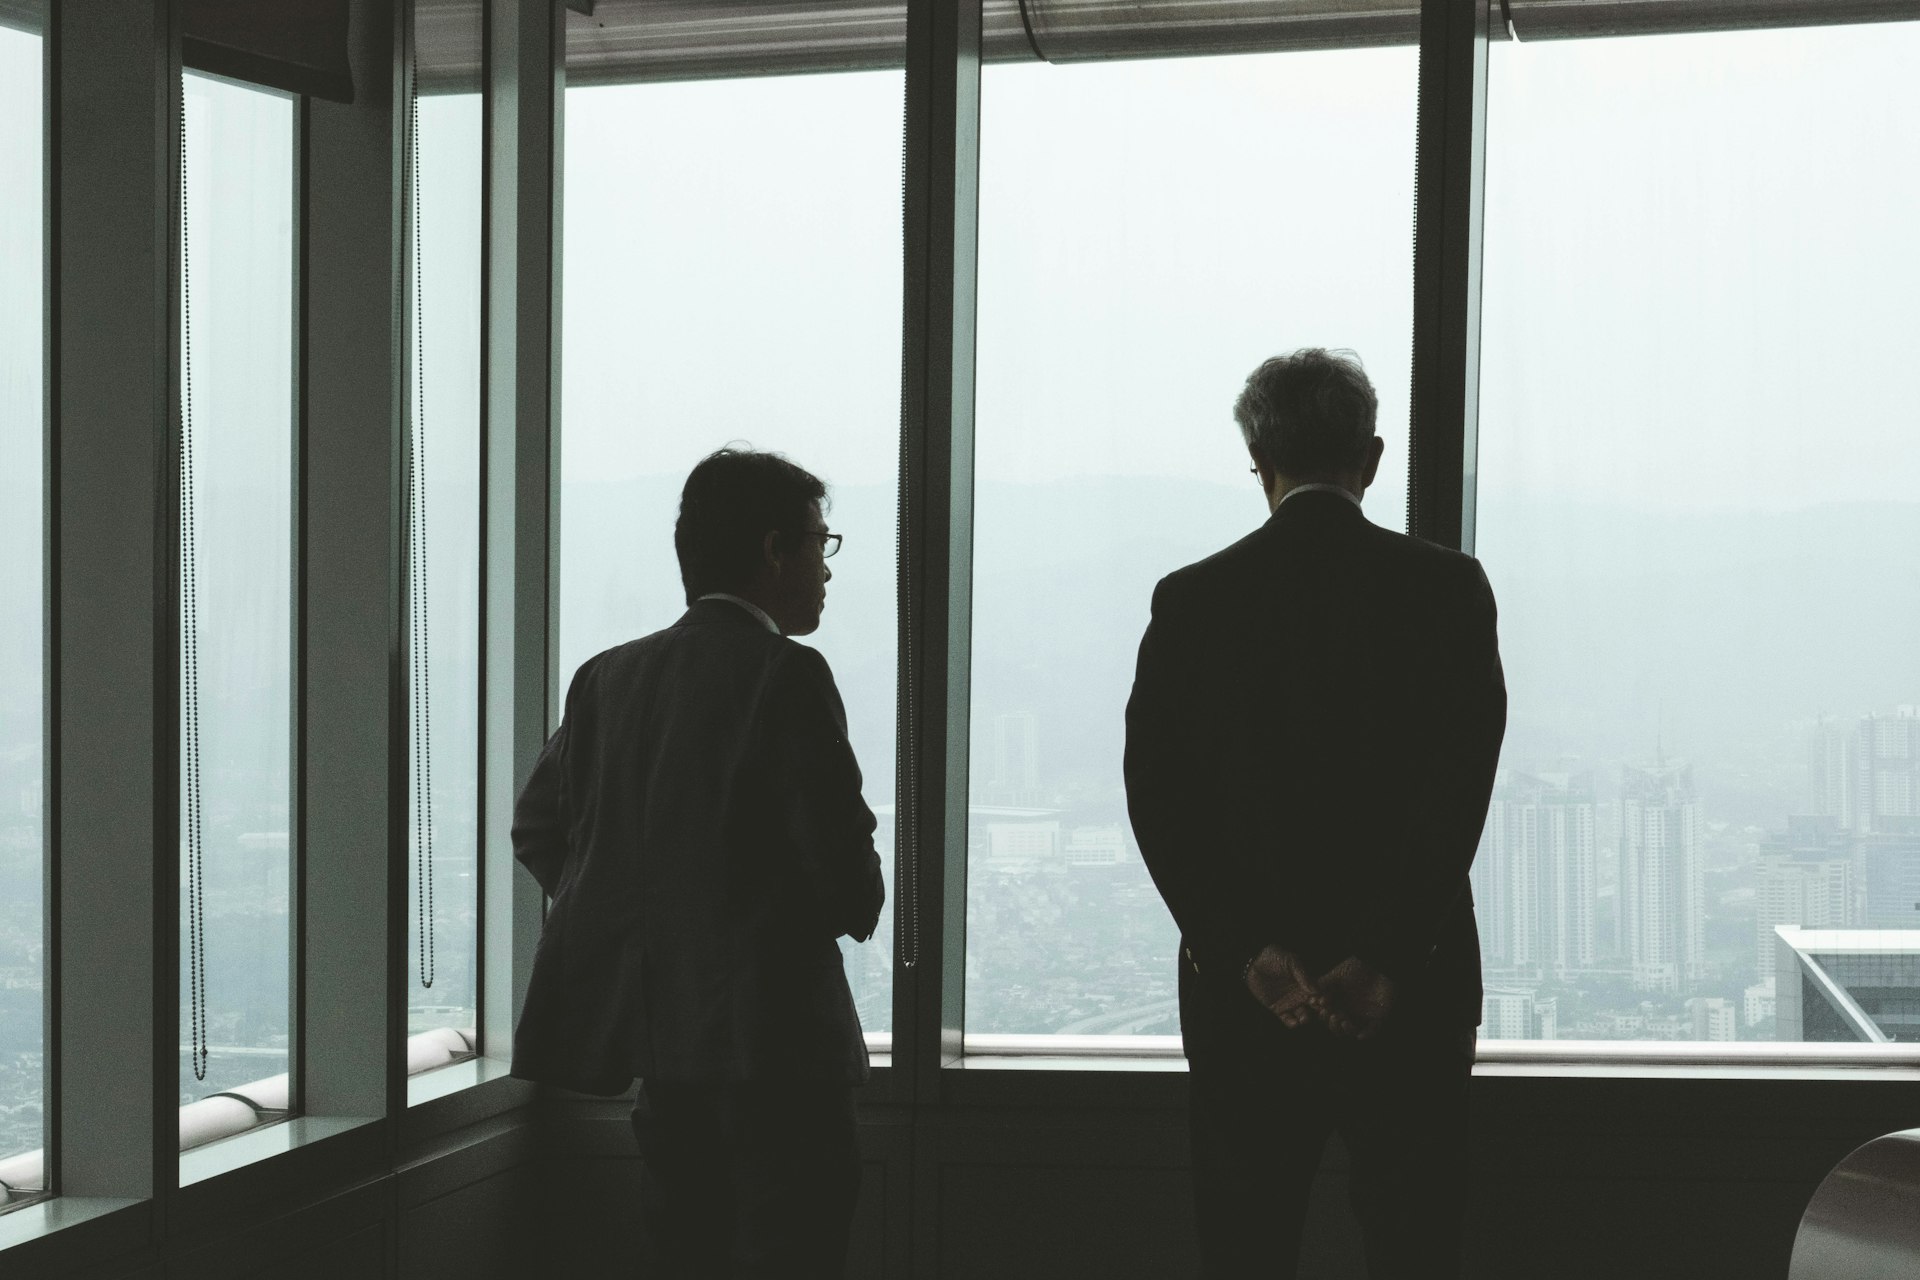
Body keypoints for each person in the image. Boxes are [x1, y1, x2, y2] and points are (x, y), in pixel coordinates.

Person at [1124, 349, 1507, 1279]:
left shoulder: (1192, 600)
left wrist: (1247, 951)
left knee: (1246, 1243)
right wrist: (1384, 955)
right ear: (1370, 459)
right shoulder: (1449, 590)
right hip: (1409, 995)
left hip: (1250, 1004)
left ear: (1259, 459)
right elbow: (1458, 793)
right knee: (1415, 1243)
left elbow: (1157, 800)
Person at [510, 447, 885, 1279]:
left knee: (688, 1249)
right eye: (820, 546)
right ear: (773, 550)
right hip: (781, 1047)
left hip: (666, 1051)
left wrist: (642, 910)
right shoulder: (785, 674)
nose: (827, 572)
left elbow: (540, 827)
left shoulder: (608, 678)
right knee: (796, 1247)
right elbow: (845, 884)